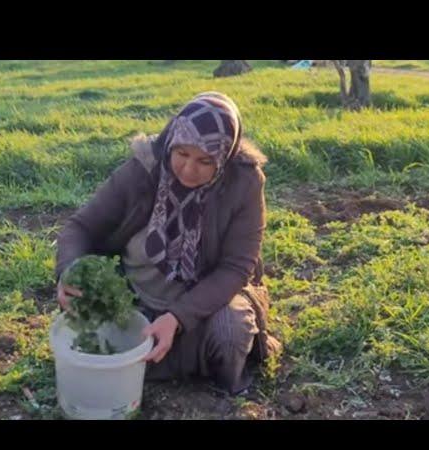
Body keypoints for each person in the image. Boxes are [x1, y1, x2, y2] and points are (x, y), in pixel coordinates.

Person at [55, 91, 280, 395]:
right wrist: (70, 270)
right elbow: (80, 227)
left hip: (203, 305)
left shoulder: (244, 182)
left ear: (224, 158)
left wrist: (177, 317)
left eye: (204, 161)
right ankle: (159, 357)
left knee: (230, 333)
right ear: (170, 142)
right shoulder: (143, 168)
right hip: (135, 299)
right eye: (182, 154)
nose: (188, 169)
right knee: (96, 338)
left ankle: (189, 366)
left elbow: (236, 267)